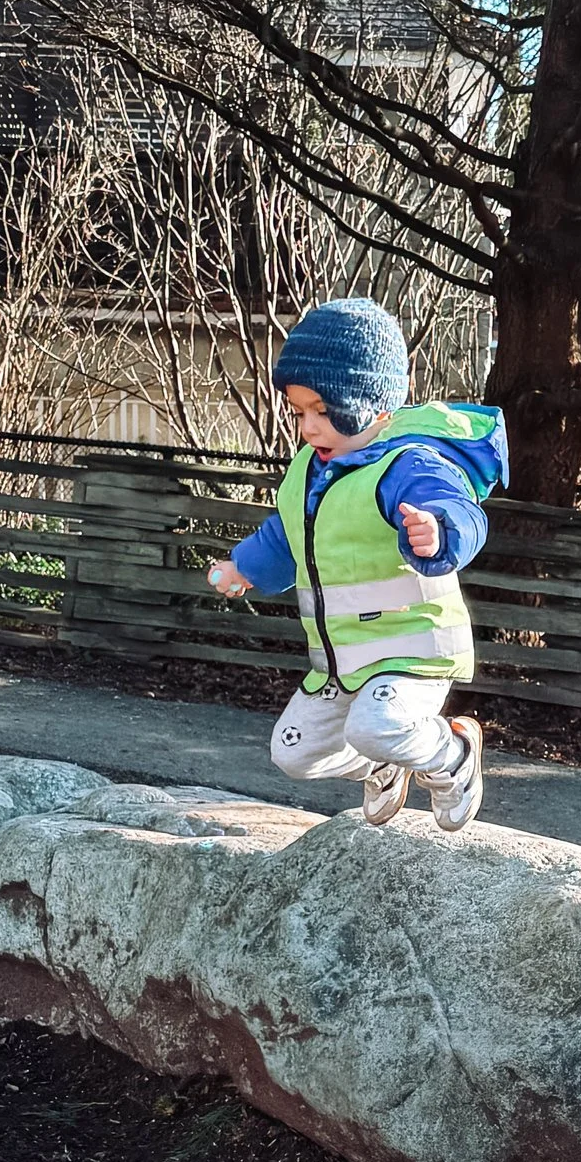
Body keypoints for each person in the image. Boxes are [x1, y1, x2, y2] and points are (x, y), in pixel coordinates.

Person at [205, 299, 507, 831]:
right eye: (299, 412)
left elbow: (459, 508)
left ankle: (452, 754)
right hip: (343, 660)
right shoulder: (309, 469)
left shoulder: (408, 463)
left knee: (378, 724)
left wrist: (439, 532)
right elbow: (286, 535)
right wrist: (244, 567)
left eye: (323, 411)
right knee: (292, 755)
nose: (309, 427)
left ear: (373, 406)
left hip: (415, 649)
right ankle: (385, 760)